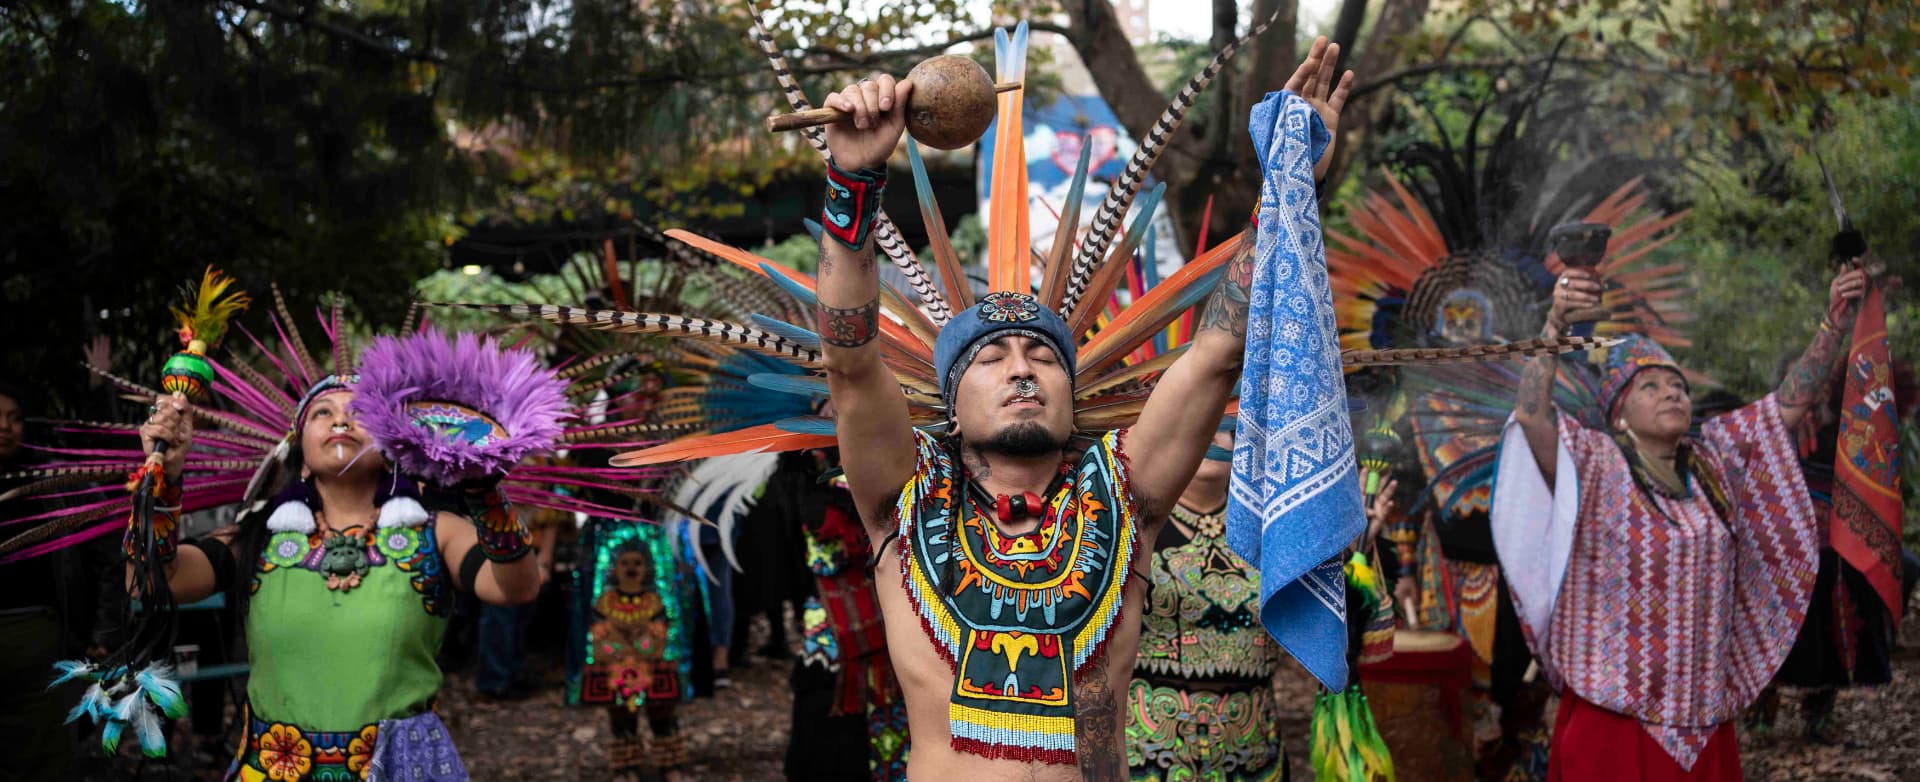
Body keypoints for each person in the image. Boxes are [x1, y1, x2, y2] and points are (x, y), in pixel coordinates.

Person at [808, 34, 1352, 780]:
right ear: (951, 407)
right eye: (991, 358)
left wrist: (1288, 187)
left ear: (1073, 396)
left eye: (1042, 357)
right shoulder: (904, 501)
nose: (1022, 368)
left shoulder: (1122, 496)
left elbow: (1220, 349)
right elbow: (849, 361)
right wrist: (851, 180)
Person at [1494, 263, 1869, 780]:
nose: (1672, 393)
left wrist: (1833, 324)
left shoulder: (1714, 459)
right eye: (1650, 387)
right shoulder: (1596, 463)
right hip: (1616, 723)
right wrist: (1555, 325)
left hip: (1701, 723)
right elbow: (1534, 416)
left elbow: (1791, 401)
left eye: (1678, 385)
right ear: (1620, 414)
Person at [131, 374, 542, 779]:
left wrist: (485, 490)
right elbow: (149, 582)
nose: (341, 422)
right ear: (300, 452)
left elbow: (519, 586)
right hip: (278, 769)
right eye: (322, 413)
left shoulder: (436, 532)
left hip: (403, 769)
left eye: (360, 413)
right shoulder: (256, 538)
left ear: (389, 447)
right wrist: (164, 478)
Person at [1124, 424, 1292, 781]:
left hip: (1254, 748)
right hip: (1148, 749)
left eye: (1229, 426)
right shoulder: (1128, 521)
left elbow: (1355, 632)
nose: (1216, 436)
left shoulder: (1277, 528)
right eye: (1206, 422)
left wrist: (1357, 553)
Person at [0, 383, 125, 782]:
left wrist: (104, 631)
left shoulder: (59, 484)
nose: (5, 427)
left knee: (47, 755)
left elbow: (108, 557)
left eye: (14, 417)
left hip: (44, 636)